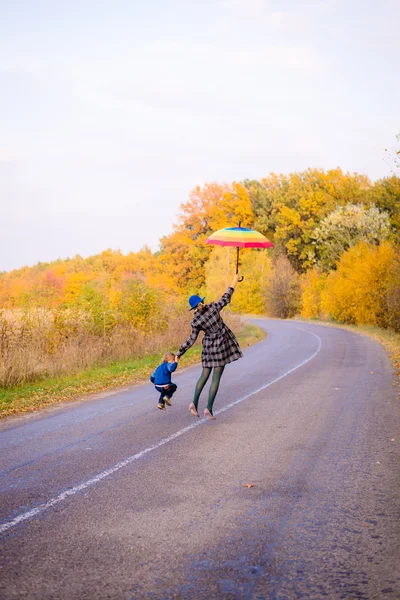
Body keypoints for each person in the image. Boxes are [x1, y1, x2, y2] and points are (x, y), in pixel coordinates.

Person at [176, 273, 242, 420]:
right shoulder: (213, 307)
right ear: (202, 301)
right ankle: (209, 408)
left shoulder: (196, 320)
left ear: (193, 307)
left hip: (208, 349)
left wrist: (179, 353)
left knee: (204, 376)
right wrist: (234, 280)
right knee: (216, 379)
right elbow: (226, 297)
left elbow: (191, 340)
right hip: (221, 347)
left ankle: (194, 402)